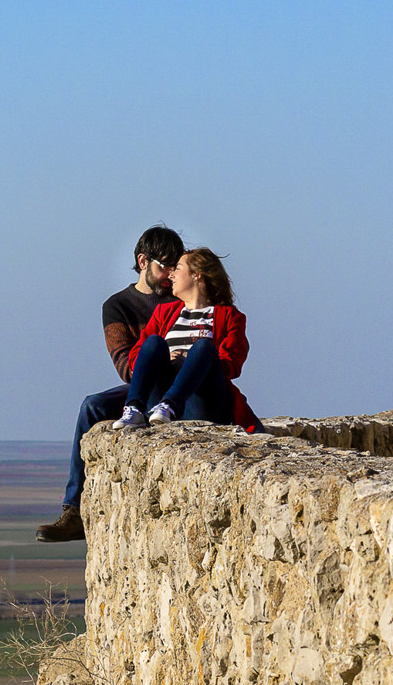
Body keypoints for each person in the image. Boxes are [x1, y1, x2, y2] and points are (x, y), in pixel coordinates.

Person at [34, 227, 183, 542]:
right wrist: (160, 354)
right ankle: (73, 510)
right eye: (164, 265)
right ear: (142, 261)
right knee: (92, 406)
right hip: (144, 389)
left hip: (181, 386)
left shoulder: (184, 299)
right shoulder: (118, 306)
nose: (170, 274)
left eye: (175, 266)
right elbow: (126, 367)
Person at [113, 247, 260, 432]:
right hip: (158, 399)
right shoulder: (163, 312)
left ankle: (170, 404)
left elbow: (232, 364)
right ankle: (134, 409)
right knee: (154, 343)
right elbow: (136, 357)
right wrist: (169, 361)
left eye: (178, 268)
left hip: (201, 400)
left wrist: (190, 362)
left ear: (197, 275)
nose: (171, 275)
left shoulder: (230, 316)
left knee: (203, 348)